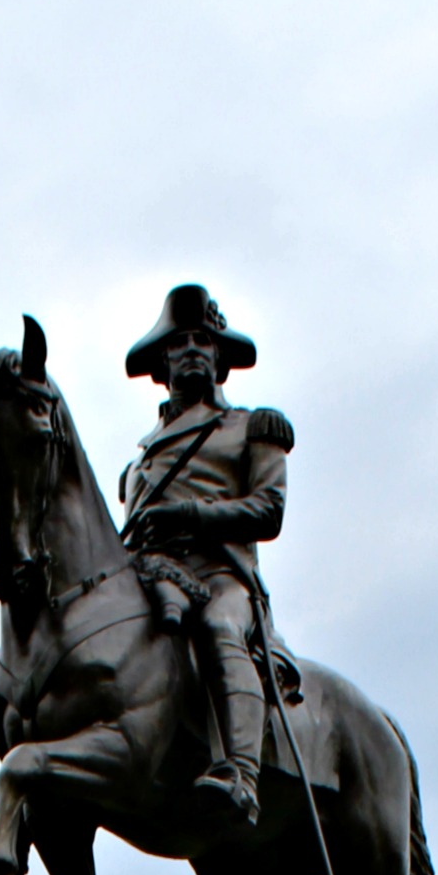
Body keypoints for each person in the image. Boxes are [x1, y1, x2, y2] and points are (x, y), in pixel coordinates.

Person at [117, 284, 293, 830]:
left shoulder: (251, 427)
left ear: (219, 358)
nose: (192, 349)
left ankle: (241, 774)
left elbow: (268, 511)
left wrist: (189, 516)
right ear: (162, 363)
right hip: (152, 580)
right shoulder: (142, 455)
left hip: (221, 577)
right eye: (180, 342)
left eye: (203, 340)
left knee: (219, 624)